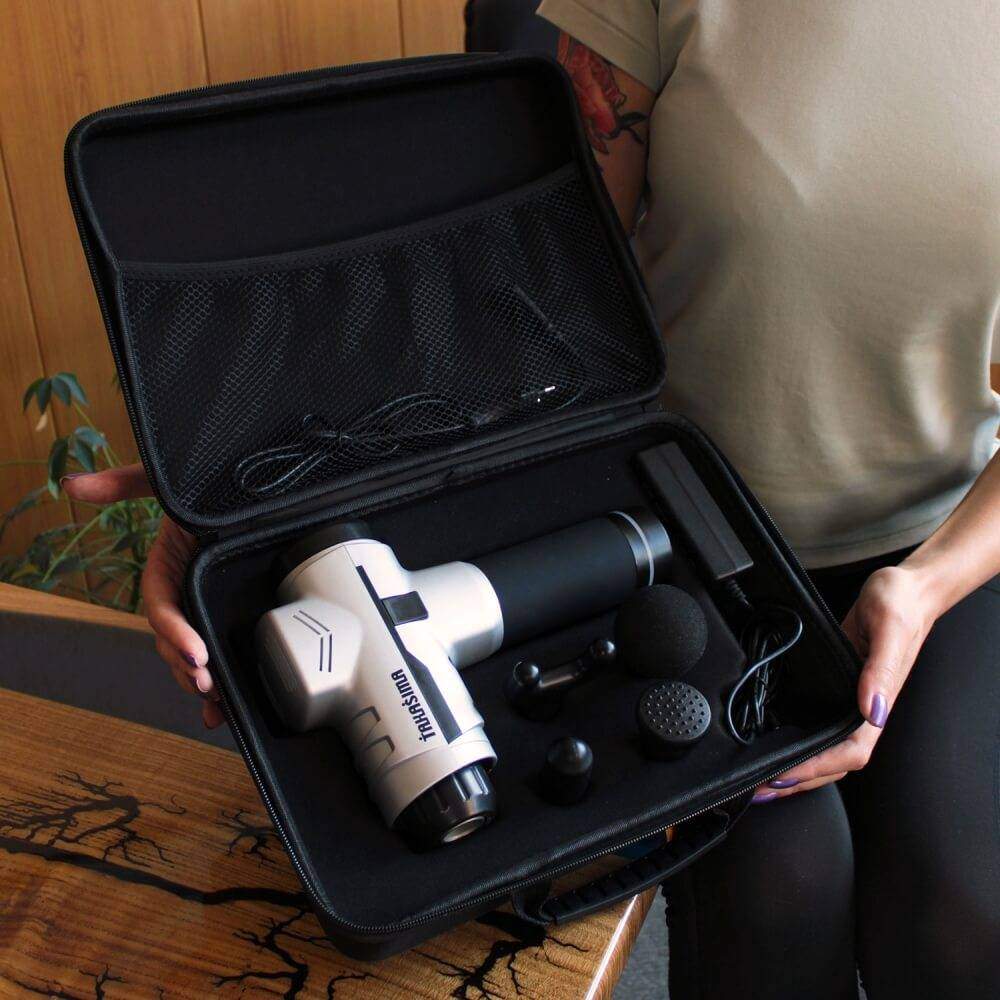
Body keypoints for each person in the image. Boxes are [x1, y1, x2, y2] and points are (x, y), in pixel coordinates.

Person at [65, 2, 999, 996]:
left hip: (938, 546)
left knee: (961, 919)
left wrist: (926, 586)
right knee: (782, 893)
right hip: (685, 523)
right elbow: (522, 295)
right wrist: (244, 475)